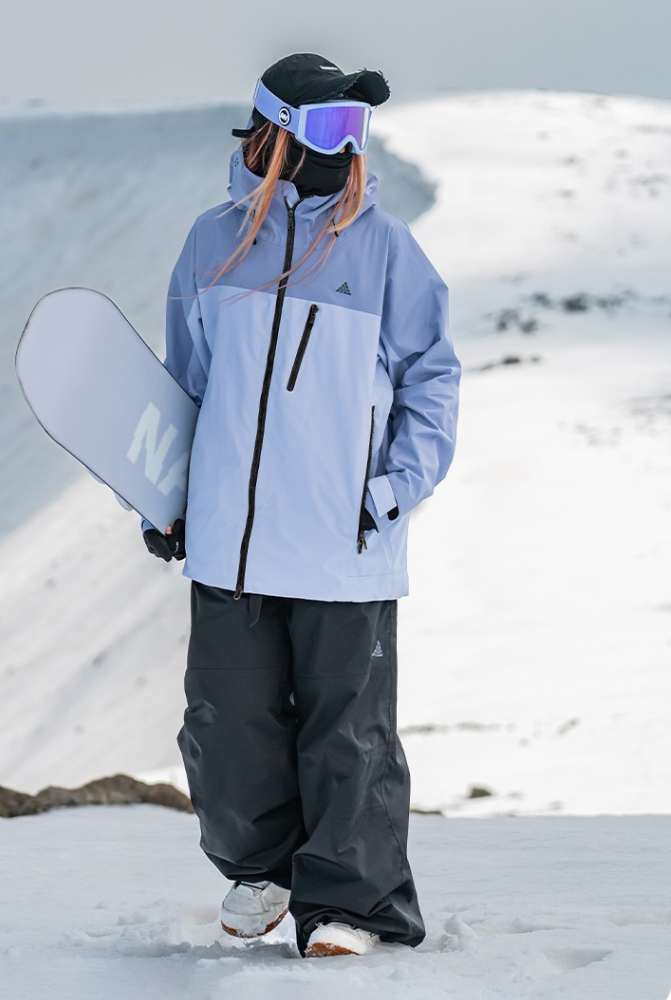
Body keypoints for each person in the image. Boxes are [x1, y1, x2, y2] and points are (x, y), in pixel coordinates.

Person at [142, 52, 460, 958]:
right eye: (329, 125)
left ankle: (350, 906)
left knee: (347, 735)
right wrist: (166, 499)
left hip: (343, 540)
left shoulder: (385, 246)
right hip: (231, 543)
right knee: (223, 725)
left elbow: (433, 376)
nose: (347, 145)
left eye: (357, 128)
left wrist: (392, 491)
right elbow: (185, 384)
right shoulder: (212, 240)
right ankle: (262, 869)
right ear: (275, 130)